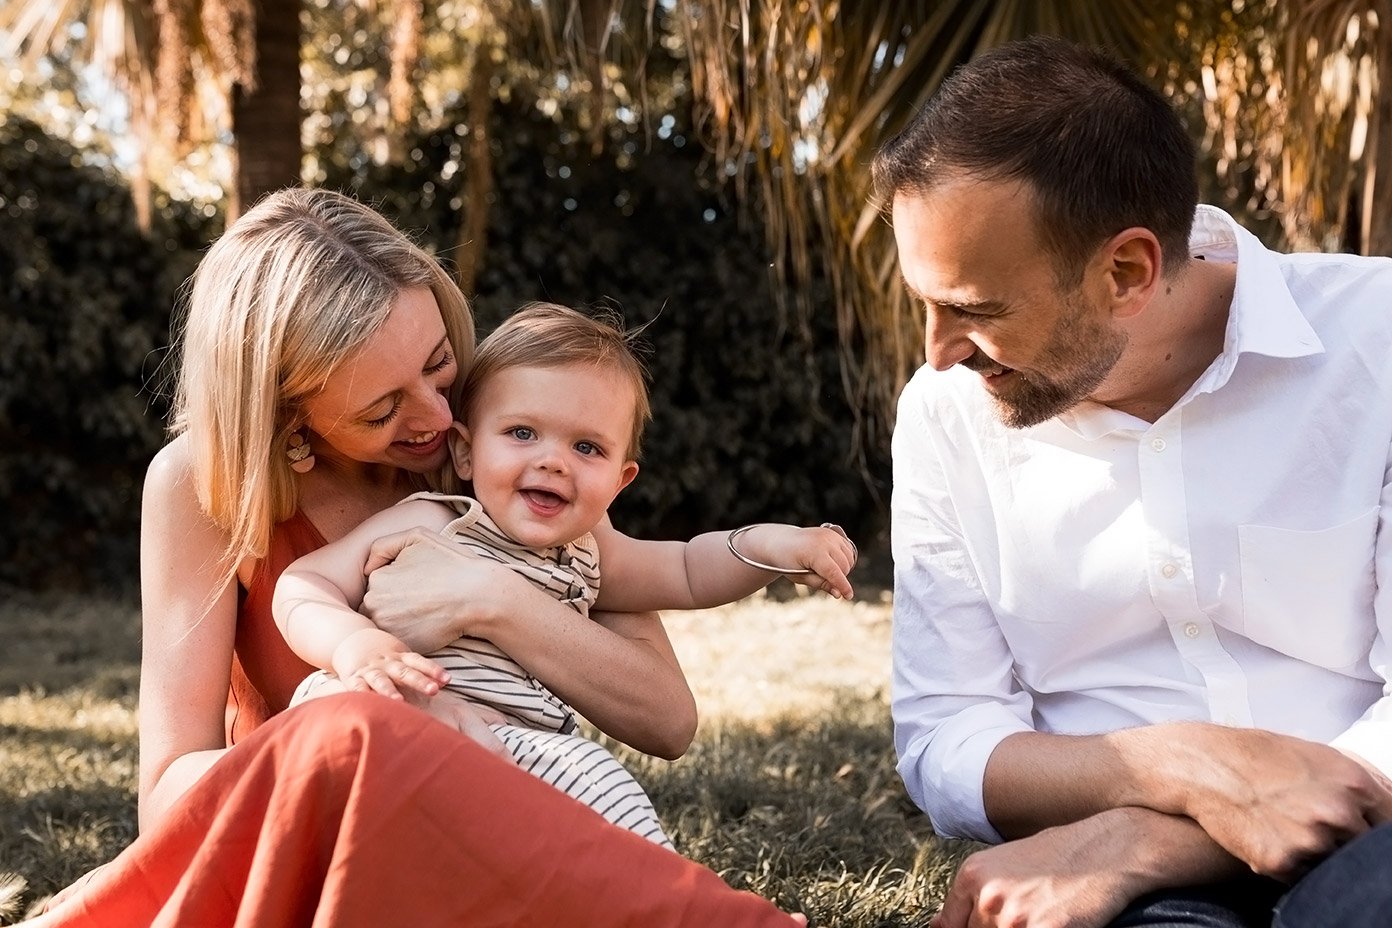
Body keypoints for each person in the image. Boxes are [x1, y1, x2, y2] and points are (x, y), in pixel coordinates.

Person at [30, 187, 804, 926]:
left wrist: (487, 599)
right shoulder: (201, 486)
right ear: (285, 415)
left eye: (437, 362)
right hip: (326, 837)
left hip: (488, 843)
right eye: (381, 407)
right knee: (358, 732)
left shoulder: (504, 445)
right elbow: (169, 795)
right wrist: (367, 741)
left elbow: (666, 720)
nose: (438, 414)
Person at [875, 36, 1392, 928]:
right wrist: (1175, 767)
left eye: (975, 311)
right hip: (1112, 882)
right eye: (927, 303)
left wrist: (1148, 838)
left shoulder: (1376, 340)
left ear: (1126, 272)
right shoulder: (943, 413)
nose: (937, 352)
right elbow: (948, 733)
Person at [274, 301, 857, 848]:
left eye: (587, 447)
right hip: (388, 704)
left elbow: (686, 570)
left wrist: (772, 546)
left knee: (604, 786)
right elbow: (304, 586)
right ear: (465, 454)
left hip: (519, 744)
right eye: (522, 433)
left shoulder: (589, 554)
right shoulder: (432, 519)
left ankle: (675, 907)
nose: (553, 460)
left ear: (620, 481)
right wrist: (355, 645)